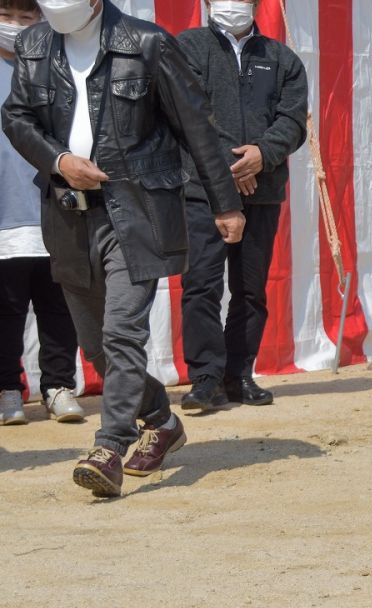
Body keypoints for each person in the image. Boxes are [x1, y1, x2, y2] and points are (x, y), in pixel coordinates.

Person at [2, 0, 244, 497]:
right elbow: (18, 118)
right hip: (68, 214)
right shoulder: (33, 45)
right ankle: (161, 419)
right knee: (96, 347)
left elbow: (196, 129)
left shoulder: (148, 43)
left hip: (137, 211)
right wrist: (59, 159)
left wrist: (226, 205)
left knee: (121, 333)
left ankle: (109, 446)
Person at [176, 0, 307, 411]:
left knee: (250, 289)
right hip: (202, 190)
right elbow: (187, 115)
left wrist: (262, 153)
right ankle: (205, 378)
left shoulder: (281, 58)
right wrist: (235, 163)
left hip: (262, 191)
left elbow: (293, 120)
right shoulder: (187, 47)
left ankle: (239, 374)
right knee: (202, 285)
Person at [0, 0, 82, 426]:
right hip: (4, 213)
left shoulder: (56, 70)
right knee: (6, 307)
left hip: (56, 208)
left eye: (26, 17)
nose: (15, 26)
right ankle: (8, 389)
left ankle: (59, 385)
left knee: (59, 303)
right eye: (6, 16)